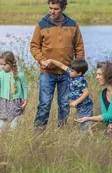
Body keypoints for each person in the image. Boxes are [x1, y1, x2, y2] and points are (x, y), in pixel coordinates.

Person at [30, 0, 85, 130]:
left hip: (67, 73)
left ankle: (62, 132)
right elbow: (34, 46)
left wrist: (78, 68)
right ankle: (39, 131)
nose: (52, 11)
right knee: (44, 104)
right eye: (50, 8)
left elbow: (79, 47)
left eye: (55, 9)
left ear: (63, 8)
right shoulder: (41, 25)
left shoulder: (73, 25)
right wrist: (41, 59)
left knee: (65, 104)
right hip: (47, 74)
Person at [45, 58, 93, 132]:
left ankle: (87, 137)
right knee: (82, 123)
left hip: (85, 106)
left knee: (83, 124)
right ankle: (88, 134)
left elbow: (86, 92)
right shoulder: (72, 73)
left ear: (79, 73)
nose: (69, 71)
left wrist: (76, 102)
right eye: (70, 69)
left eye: (72, 71)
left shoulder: (80, 80)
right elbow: (62, 65)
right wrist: (52, 60)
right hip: (80, 106)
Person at [0, 51, 29, 132]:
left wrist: (25, 100)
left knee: (15, 119)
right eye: (1, 64)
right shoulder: (0, 75)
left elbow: (24, 88)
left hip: (16, 101)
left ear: (11, 63)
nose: (2, 66)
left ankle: (12, 136)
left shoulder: (20, 75)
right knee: (3, 119)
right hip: (4, 101)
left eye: (4, 64)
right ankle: (2, 135)